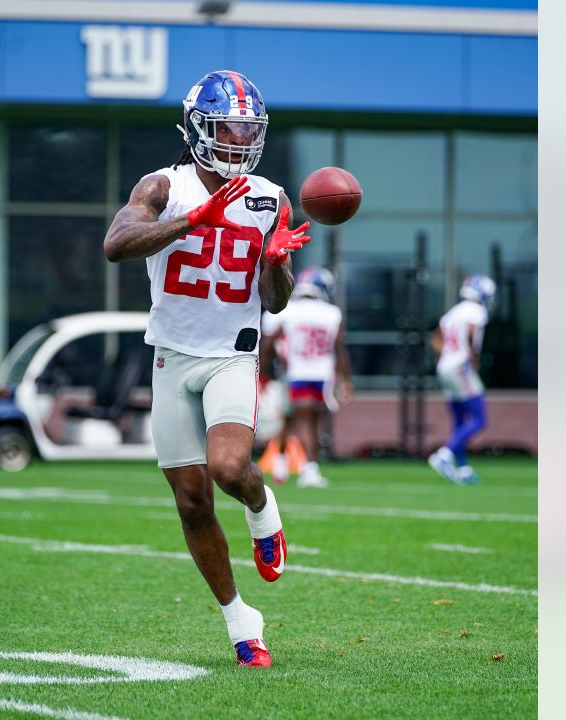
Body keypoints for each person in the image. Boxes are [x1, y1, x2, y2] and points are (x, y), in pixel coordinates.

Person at [102, 70, 311, 668]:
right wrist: (194, 220)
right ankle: (243, 624)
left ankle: (260, 506)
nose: (241, 139)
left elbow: (275, 299)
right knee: (191, 501)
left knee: (227, 468)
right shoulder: (164, 186)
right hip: (171, 357)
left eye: (250, 129)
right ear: (198, 127)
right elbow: (117, 244)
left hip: (231, 354)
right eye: (230, 127)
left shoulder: (269, 196)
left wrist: (273, 262)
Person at [261, 267, 353, 488]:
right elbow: (339, 349)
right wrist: (346, 379)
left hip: (295, 372)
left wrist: (264, 370)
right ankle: (309, 469)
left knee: (293, 419)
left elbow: (267, 342)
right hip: (321, 375)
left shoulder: (287, 311)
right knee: (311, 422)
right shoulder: (332, 313)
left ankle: (282, 463)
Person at [429, 274, 496, 485]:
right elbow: (470, 333)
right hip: (460, 367)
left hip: (445, 367)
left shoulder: (453, 312)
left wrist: (447, 354)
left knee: (459, 421)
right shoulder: (475, 311)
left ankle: (463, 468)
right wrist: (473, 358)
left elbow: (436, 338)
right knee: (479, 418)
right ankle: (444, 455)